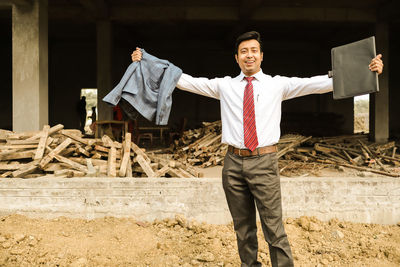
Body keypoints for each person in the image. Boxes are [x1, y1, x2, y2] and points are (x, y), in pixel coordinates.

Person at [131, 31, 384, 267]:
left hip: (264, 161)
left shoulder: (278, 85)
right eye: (244, 51)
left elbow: (318, 83)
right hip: (232, 164)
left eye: (254, 50)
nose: (249, 54)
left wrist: (365, 69)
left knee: (274, 228)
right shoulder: (225, 86)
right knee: (243, 229)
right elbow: (183, 80)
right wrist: (146, 61)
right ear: (237, 57)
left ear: (261, 56)